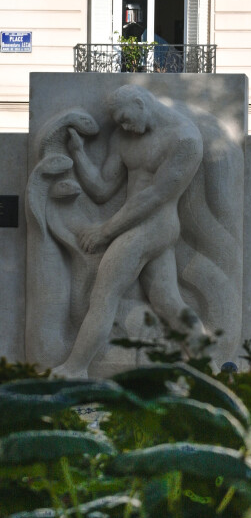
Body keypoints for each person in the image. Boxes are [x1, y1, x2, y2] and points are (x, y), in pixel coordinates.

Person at [53, 84, 205, 377]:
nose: (123, 125)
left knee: (104, 295)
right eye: (119, 121)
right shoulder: (123, 136)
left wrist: (105, 232)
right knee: (167, 301)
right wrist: (79, 153)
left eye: (125, 117)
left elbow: (156, 196)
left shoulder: (184, 139)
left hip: (156, 225)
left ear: (140, 103)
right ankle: (207, 367)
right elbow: (101, 188)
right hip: (136, 225)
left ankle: (74, 369)